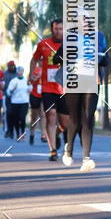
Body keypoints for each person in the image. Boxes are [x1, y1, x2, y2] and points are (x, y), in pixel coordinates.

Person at [55, 29, 108, 172]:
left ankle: (86, 158)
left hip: (92, 82)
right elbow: (56, 58)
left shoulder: (99, 36)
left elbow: (106, 59)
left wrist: (97, 59)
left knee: (88, 119)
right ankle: (69, 150)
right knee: (75, 120)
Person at [29, 19, 70, 161]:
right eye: (56, 29)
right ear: (52, 29)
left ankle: (58, 132)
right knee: (50, 115)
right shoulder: (43, 44)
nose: (58, 31)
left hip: (65, 88)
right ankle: (52, 150)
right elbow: (34, 59)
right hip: (48, 87)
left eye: (61, 29)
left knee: (65, 123)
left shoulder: (71, 45)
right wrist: (31, 73)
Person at [6, 66, 30, 139]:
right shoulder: (13, 81)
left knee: (22, 118)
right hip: (15, 102)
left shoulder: (26, 80)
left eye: (21, 71)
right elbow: (8, 92)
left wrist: (30, 89)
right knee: (16, 119)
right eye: (19, 71)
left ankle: (22, 133)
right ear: (17, 72)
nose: (20, 72)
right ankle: (17, 134)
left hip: (24, 102)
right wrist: (12, 90)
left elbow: (30, 88)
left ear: (23, 71)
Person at [28, 65, 45, 144]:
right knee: (34, 117)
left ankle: (43, 135)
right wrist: (36, 76)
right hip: (35, 95)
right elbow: (30, 81)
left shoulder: (49, 68)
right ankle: (32, 134)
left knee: (43, 114)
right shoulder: (36, 69)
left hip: (44, 94)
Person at [1, 60, 17, 136]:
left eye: (13, 66)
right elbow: (2, 86)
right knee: (7, 113)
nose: (12, 67)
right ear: (8, 67)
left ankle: (12, 129)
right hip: (6, 96)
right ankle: (7, 130)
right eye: (10, 66)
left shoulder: (17, 74)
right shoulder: (4, 74)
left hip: (16, 97)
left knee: (14, 113)